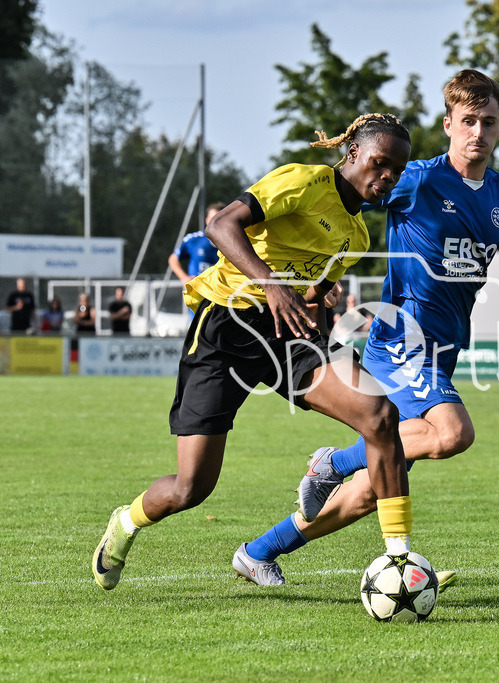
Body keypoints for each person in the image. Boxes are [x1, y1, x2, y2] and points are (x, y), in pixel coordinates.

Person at [237, 69, 499, 588]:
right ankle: (332, 462)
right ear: (449, 124)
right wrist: (313, 268)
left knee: (372, 491)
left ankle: (259, 552)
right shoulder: (416, 179)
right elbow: (345, 196)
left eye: (489, 122)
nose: (478, 131)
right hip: (400, 341)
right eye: (468, 121)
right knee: (454, 433)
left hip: (446, 349)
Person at [92, 112, 415, 591]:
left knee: (380, 417)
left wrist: (324, 332)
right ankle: (127, 521)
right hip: (228, 324)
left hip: (290, 337)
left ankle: (399, 559)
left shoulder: (359, 236)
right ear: (353, 154)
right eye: (380, 163)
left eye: (397, 170)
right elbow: (222, 225)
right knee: (191, 488)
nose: (387, 176)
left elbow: (315, 296)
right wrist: (271, 286)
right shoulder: (304, 181)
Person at [169, 203, 223, 286]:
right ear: (207, 220)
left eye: (219, 219)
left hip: (221, 292)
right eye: (213, 218)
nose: (215, 222)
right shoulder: (194, 239)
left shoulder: (234, 242)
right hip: (198, 291)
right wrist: (184, 278)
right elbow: (173, 259)